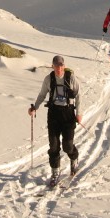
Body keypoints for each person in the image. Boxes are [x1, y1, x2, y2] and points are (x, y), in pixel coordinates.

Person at [28, 55, 82, 185]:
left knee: (68, 145)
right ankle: (55, 172)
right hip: (53, 114)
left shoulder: (71, 78)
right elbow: (42, 95)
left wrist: (79, 113)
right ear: (52, 66)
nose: (59, 68)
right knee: (53, 145)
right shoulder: (49, 79)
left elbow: (79, 96)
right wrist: (35, 107)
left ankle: (74, 158)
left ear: (64, 66)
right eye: (56, 65)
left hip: (68, 114)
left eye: (61, 65)